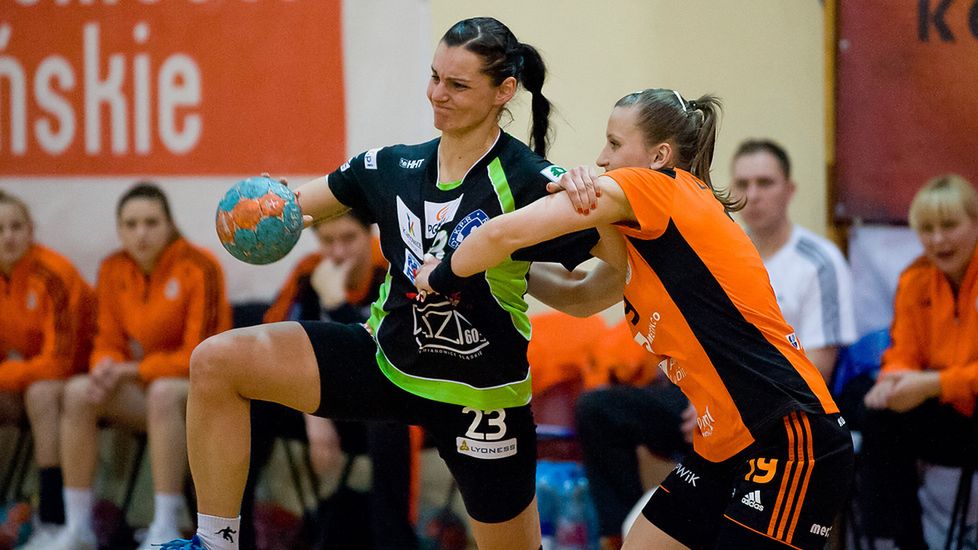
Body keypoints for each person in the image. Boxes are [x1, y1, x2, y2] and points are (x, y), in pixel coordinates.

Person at [159, 17, 600, 550]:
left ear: (504, 91)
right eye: (434, 77)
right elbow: (292, 208)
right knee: (215, 362)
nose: (437, 94)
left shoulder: (532, 180)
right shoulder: (393, 166)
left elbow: (597, 283)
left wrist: (601, 198)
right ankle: (214, 543)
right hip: (384, 362)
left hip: (480, 396)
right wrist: (262, 210)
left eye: (458, 85)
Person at [416, 88, 854, 549]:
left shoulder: (661, 188)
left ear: (659, 156)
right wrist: (495, 274)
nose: (601, 158)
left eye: (614, 143)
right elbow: (579, 296)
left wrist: (443, 273)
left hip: (788, 436)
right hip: (723, 444)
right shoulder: (653, 240)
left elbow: (503, 232)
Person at [43, 183, 232, 550]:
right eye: (130, 224)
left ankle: (165, 526)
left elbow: (199, 356)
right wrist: (104, 367)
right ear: (119, 229)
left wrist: (130, 371)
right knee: (78, 392)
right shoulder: (113, 268)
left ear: (170, 224)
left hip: (197, 392)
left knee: (163, 393)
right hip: (147, 387)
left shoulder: (200, 266)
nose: (141, 233)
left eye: (151, 222)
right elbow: (107, 340)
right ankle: (78, 528)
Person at [247, 210, 421, 550]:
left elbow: (393, 359)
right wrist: (312, 413)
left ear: (369, 235)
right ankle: (231, 537)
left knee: (388, 421)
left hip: (390, 402)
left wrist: (337, 303)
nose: (338, 252)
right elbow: (271, 348)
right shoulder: (308, 273)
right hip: (321, 404)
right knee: (253, 405)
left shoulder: (395, 271)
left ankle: (393, 542)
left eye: (349, 239)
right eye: (328, 241)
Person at [859, 174, 978, 549]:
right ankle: (904, 542)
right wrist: (891, 382)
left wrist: (933, 384)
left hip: (962, 396)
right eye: (927, 229)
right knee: (879, 414)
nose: (938, 240)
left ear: (975, 223)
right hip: (950, 412)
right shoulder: (915, 278)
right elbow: (902, 352)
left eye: (949, 225)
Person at [0, 191, 94, 547]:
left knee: (41, 394)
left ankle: (53, 519)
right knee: (34, 389)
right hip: (30, 374)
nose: (8, 237)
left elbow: (58, 364)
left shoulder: (53, 273)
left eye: (16, 227)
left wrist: (8, 374)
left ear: (31, 230)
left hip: (80, 373)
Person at [730, 138, 857, 380]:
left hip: (786, 395)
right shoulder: (721, 256)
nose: (752, 195)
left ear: (789, 191)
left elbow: (817, 368)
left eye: (765, 183)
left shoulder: (820, 262)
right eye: (742, 184)